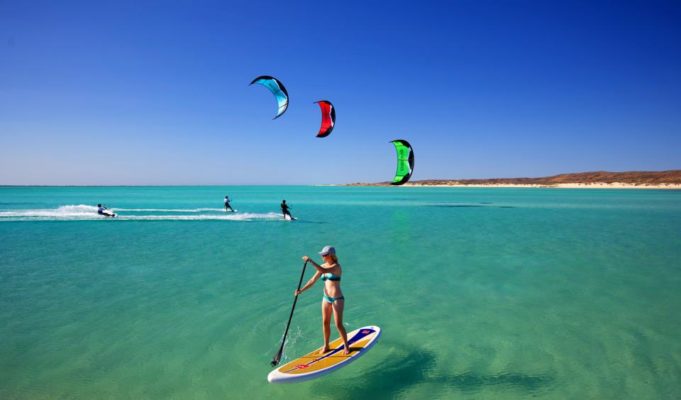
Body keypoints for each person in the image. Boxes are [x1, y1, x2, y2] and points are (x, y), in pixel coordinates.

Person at [296, 246, 350, 355]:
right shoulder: (322, 266)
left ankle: (346, 345)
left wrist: (310, 261)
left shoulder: (336, 267)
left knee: (338, 324)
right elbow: (312, 280)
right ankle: (326, 345)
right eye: (322, 254)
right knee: (325, 323)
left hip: (337, 298)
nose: (322, 256)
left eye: (324, 255)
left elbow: (324, 271)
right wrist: (301, 290)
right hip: (326, 298)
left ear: (331, 255)